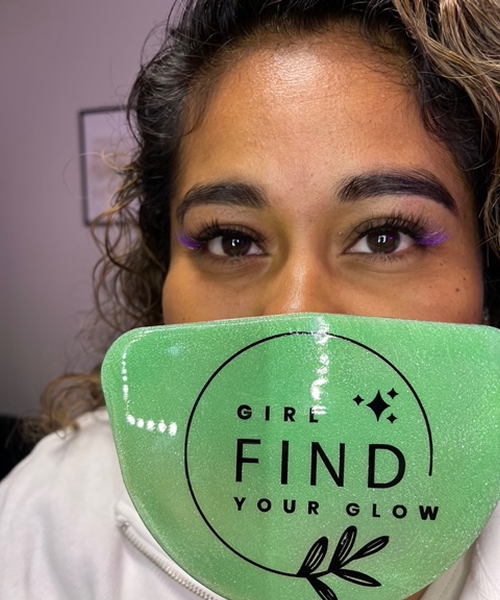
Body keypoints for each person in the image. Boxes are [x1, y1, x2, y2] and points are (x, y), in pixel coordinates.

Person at [1, 0, 500, 598]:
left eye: (385, 236)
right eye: (232, 240)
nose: (294, 316)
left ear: (488, 273)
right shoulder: (45, 515)